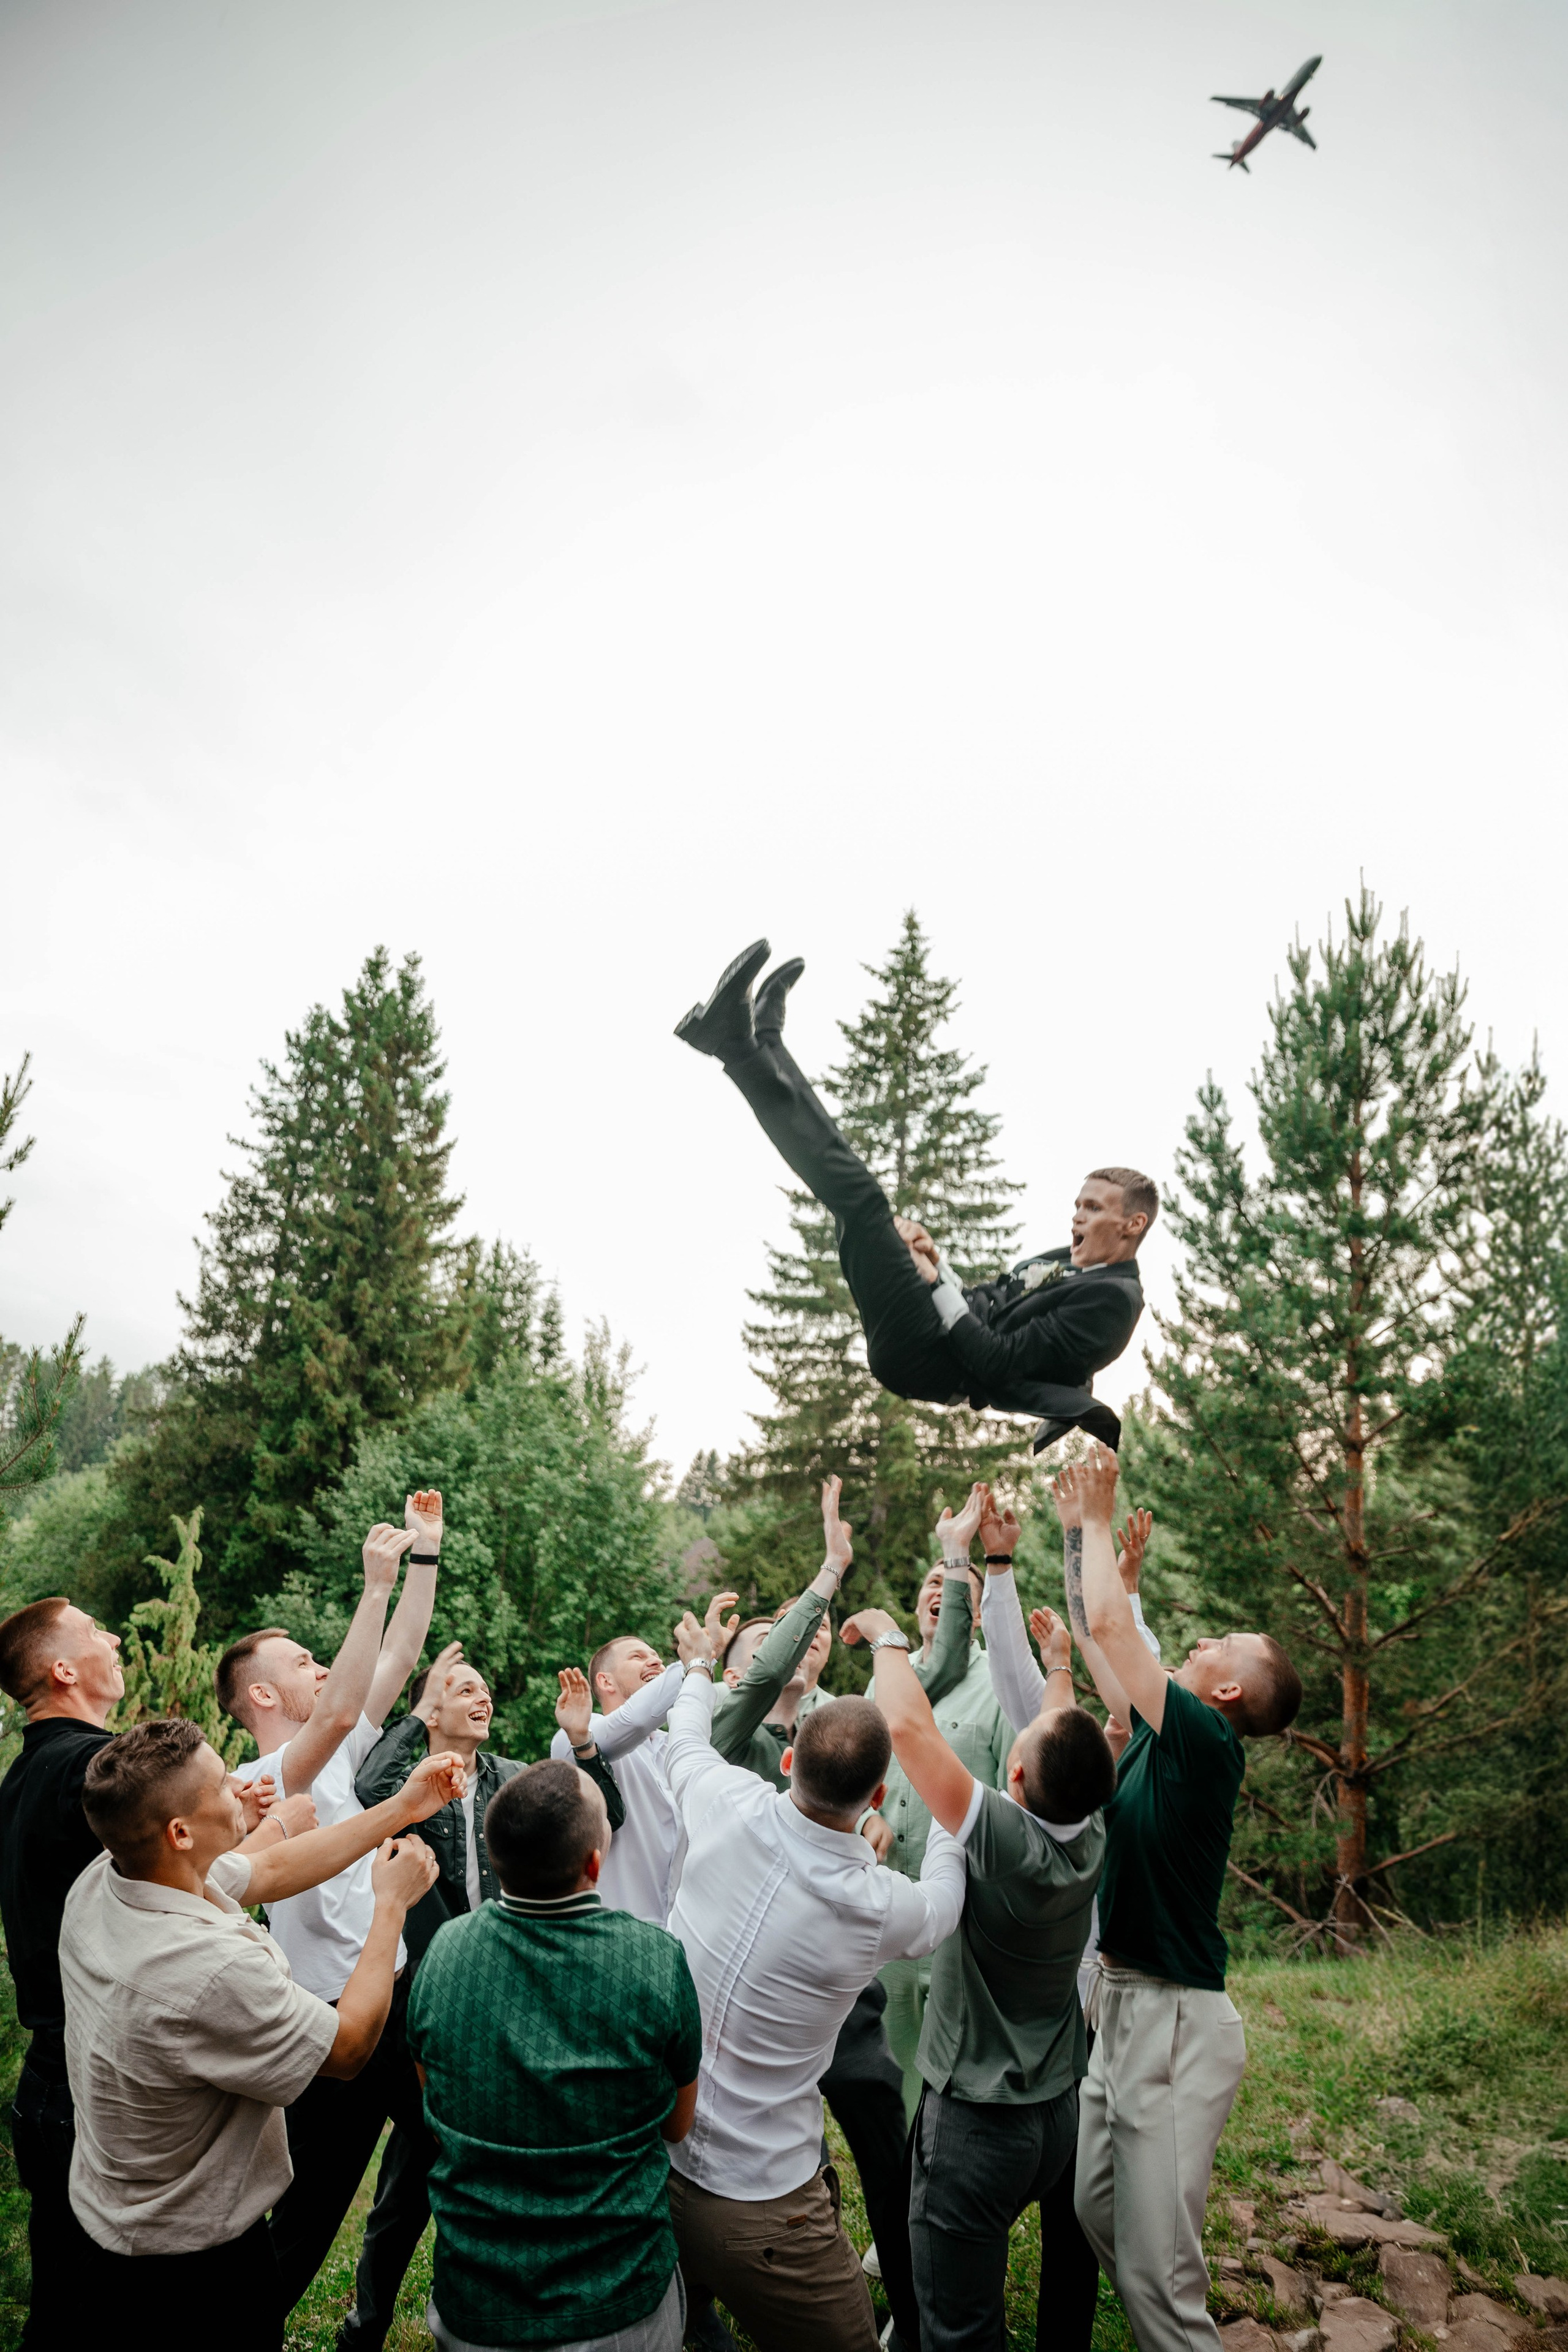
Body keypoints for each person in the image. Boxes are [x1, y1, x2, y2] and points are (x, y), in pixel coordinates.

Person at [59, 1716, 466, 2347]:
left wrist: (404, 1806)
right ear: (181, 1832)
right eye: (224, 1784)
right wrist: (390, 1907)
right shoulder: (207, 1969)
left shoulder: (110, 1879)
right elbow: (349, 2045)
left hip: (109, 2232)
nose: (243, 1789)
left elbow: (269, 1869)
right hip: (190, 2269)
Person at [674, 941, 1154, 1452]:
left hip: (929, 1360)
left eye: (1094, 1208)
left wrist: (932, 1283)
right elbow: (984, 1302)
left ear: (1133, 1224)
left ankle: (739, 1044)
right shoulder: (1070, 1261)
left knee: (861, 1200)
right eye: (1078, 1204)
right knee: (851, 1196)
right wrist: (937, 1268)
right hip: (931, 1329)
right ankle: (762, 1041)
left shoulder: (1113, 1302)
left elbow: (994, 1361)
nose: (1076, 1215)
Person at [0, 1597, 311, 2349]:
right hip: (104, 2084)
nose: (113, 1637)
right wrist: (270, 1826)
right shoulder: (92, 1771)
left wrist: (225, 1808)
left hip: (52, 2073)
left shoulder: (22, 1776)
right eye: (96, 1633)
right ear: (64, 1669)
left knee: (67, 2305)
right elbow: (202, 1875)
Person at [660, 1607, 968, 2352]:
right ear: (879, 1796)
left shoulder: (720, 1801)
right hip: (767, 2208)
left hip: (653, 2169)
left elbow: (685, 1739)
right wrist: (953, 1812)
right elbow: (944, 1903)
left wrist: (700, 1666)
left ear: (788, 1760)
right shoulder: (878, 1907)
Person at [1057, 1448, 1302, 2352]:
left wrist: (1096, 1515)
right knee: (1097, 2213)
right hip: (1119, 2003)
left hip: (1175, 2018)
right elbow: (1098, 1640)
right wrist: (1084, 1549)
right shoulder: (1162, 1738)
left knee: (1160, 2278)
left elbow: (1122, 1641)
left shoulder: (1205, 1745)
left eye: (1215, 1649)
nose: (1198, 1645)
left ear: (1228, 1691)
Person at [840, 1575, 1115, 2352]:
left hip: (976, 2128)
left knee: (959, 2328)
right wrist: (1058, 1663)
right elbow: (1056, 1726)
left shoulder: (1003, 1841)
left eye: (1015, 1753)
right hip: (1055, 2113)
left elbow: (904, 1725)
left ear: (1016, 1781)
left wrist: (891, 1639)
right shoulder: (1089, 1835)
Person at [339, 1661, 628, 2349]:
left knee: (444, 2159)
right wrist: (418, 1711)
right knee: (414, 2171)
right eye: (462, 1688)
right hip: (431, 1993)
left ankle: (440, 2309)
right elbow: (364, 1787)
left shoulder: (510, 1776)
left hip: (512, 1984)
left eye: (482, 1688)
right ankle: (368, 2324)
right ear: (432, 1711)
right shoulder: (406, 1788)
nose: (482, 1696)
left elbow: (603, 1816)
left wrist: (582, 1744)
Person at [217, 1490, 446, 2313]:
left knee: (449, 2151)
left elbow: (402, 1652)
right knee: (309, 2210)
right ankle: (253, 2324)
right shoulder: (257, 1782)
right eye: (305, 1662)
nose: (323, 1668)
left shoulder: (341, 1749)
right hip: (330, 2015)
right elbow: (349, 1696)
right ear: (264, 1698)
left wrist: (425, 1553)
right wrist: (372, 1586)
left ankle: (391, 2311)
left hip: (405, 1988)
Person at [407, 1757, 703, 2352]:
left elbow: (433, 2100)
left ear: (494, 1859)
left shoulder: (445, 1948)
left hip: (477, 2296)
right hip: (619, 2298)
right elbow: (677, 2124)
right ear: (595, 1862)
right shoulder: (652, 1957)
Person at [976, 1485, 1161, 2352]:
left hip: (1096, 2016)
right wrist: (1084, 1573)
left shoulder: (1065, 1807)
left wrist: (1019, 1573)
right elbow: (1061, 1677)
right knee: (1059, 2188)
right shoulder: (1086, 1804)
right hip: (1067, 2015)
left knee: (1074, 2199)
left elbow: (1073, 1681)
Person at [548, 1476, 859, 1920]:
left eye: (658, 1654)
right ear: (605, 1683)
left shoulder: (682, 1745)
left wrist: (702, 1659)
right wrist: (697, 1660)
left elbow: (758, 1683)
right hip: (609, 1938)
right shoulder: (577, 1736)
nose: (654, 1660)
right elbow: (632, 1723)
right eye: (639, 1656)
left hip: (679, 1944)